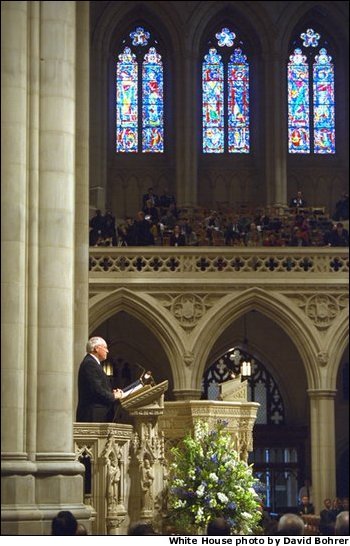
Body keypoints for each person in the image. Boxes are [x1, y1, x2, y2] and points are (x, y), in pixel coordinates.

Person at [76, 337, 123, 422]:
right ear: (96, 348)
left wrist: (112, 393)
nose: (107, 351)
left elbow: (98, 386)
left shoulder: (93, 363)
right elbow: (96, 389)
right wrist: (113, 396)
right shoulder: (90, 364)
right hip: (92, 415)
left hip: (97, 414)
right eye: (105, 347)